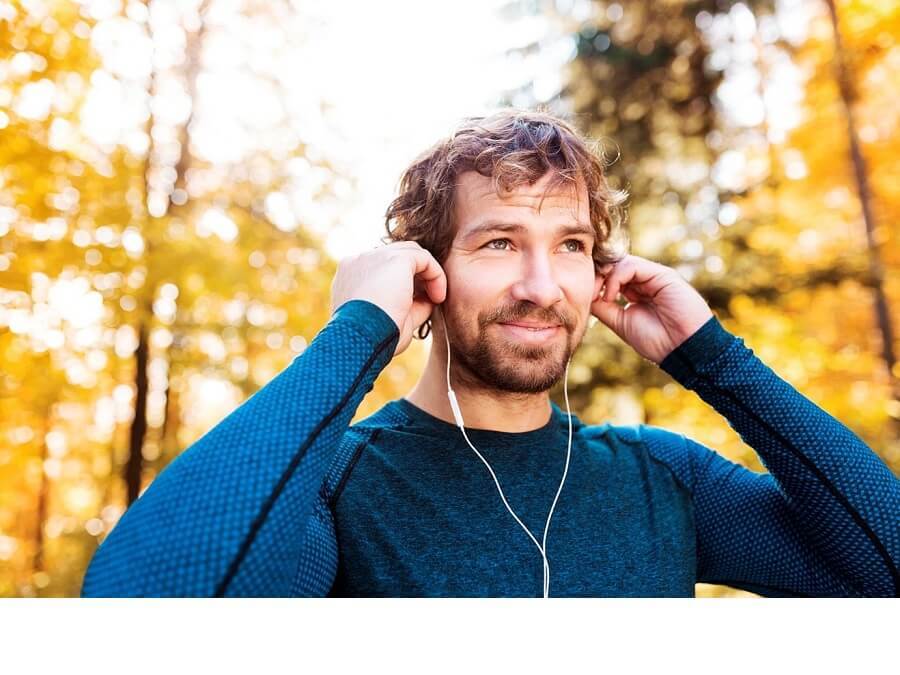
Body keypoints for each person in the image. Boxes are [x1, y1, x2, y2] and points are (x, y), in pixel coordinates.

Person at [81, 110, 900, 597]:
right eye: (501, 241)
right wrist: (357, 333)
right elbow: (151, 605)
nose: (542, 285)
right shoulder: (337, 480)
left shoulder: (667, 478)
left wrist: (714, 358)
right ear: (427, 273)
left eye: (571, 244)